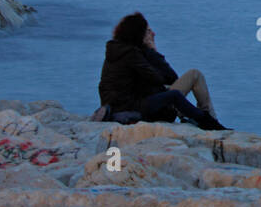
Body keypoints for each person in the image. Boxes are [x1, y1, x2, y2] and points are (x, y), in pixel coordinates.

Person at [98, 12, 228, 130]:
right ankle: (209, 122)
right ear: (138, 33)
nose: (152, 34)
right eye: (147, 31)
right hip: (131, 108)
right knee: (176, 92)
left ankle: (207, 120)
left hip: (118, 105)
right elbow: (162, 78)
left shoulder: (116, 50)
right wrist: (153, 51)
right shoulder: (132, 54)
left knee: (181, 83)